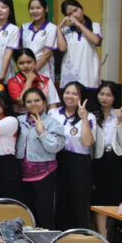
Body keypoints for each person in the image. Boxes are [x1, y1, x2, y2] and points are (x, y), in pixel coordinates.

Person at [92, 82, 122, 236]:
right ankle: (103, 239)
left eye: (108, 95)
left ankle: (120, 238)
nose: (104, 98)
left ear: (114, 97)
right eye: (102, 94)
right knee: (101, 201)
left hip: (119, 161)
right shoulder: (93, 115)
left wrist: (119, 121)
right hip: (100, 160)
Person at [17, 86, 66, 229]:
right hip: (21, 176)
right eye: (29, 101)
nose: (33, 104)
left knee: (45, 216)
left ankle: (46, 242)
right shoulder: (18, 121)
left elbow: (56, 146)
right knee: (24, 217)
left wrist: (42, 132)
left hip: (45, 176)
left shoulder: (53, 123)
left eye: (37, 100)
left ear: (44, 102)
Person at [53, 81, 95, 231]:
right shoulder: (54, 113)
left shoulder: (89, 116)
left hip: (79, 162)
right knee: (60, 201)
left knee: (79, 201)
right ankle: (60, 236)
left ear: (81, 97)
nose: (70, 96)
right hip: (58, 160)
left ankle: (80, 236)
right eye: (67, 92)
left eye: (75, 94)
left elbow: (87, 142)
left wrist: (83, 118)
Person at [59, 0, 102, 88]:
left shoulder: (94, 26)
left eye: (76, 10)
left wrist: (79, 24)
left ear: (81, 8)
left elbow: (96, 41)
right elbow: (62, 48)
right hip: (70, 75)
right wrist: (58, 29)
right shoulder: (66, 30)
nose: (75, 15)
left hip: (88, 75)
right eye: (70, 14)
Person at [19, 0, 61, 82]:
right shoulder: (24, 27)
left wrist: (32, 72)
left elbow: (46, 54)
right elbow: (20, 50)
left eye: (38, 8)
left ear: (46, 9)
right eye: (32, 8)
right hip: (25, 72)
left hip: (44, 73)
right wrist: (25, 70)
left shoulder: (52, 28)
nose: (34, 11)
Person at [7, 48, 60, 113]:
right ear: (16, 65)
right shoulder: (13, 82)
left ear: (35, 62)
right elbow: (21, 102)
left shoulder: (46, 80)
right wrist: (29, 81)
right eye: (21, 63)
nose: (26, 66)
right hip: (22, 117)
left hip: (44, 116)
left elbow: (52, 106)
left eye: (29, 62)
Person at [0, 0, 20, 81]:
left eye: (4, 7)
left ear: (10, 11)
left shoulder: (13, 29)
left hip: (6, 75)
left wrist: (2, 74)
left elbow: (8, 53)